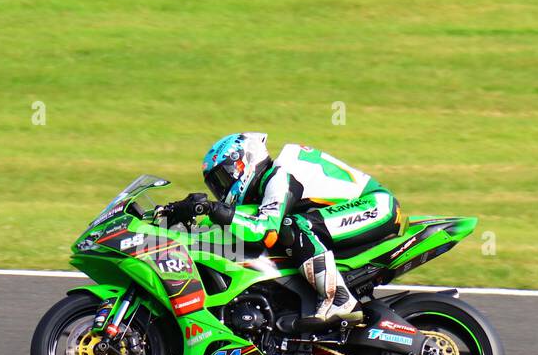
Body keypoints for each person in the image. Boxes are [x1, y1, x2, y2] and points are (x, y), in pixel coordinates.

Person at [163, 132, 403, 323]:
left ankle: (339, 299)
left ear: (243, 162)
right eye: (216, 185)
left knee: (294, 226)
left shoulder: (280, 176)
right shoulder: (267, 184)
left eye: (223, 179)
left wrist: (216, 210)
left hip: (376, 206)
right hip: (355, 211)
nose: (222, 190)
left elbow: (264, 231)